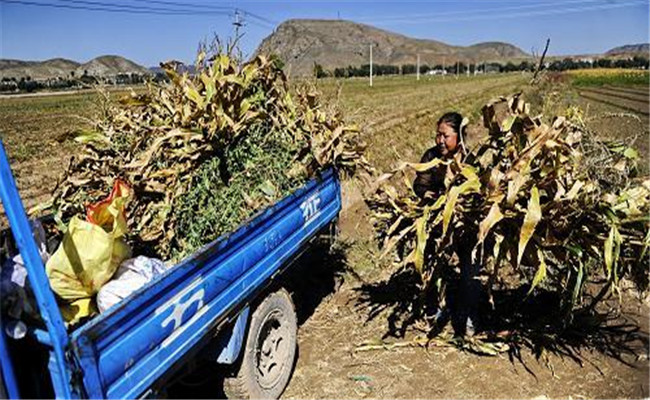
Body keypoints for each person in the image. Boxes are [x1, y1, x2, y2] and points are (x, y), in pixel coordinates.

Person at [413, 112, 480, 338]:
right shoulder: (431, 157)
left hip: (464, 225)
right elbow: (419, 185)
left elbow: (479, 191)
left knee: (470, 271)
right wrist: (430, 195)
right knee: (429, 264)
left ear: (459, 136)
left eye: (445, 135)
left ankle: (467, 315)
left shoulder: (470, 161)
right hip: (437, 224)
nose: (440, 140)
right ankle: (433, 311)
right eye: (437, 135)